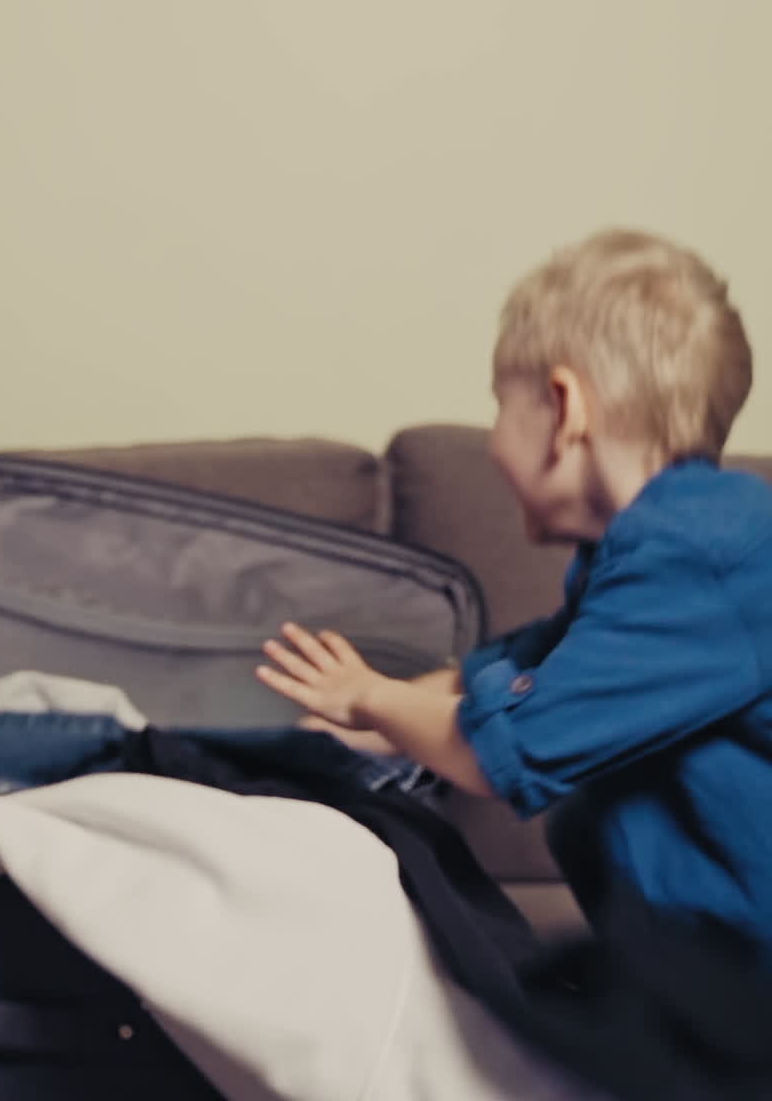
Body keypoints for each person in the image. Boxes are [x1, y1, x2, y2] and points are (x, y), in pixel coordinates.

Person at [256, 228, 772, 957]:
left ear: (563, 409)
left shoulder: (704, 557)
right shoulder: (654, 557)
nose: (494, 440)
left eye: (500, 404)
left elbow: (498, 752)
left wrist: (369, 696)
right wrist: (329, 730)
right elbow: (506, 675)